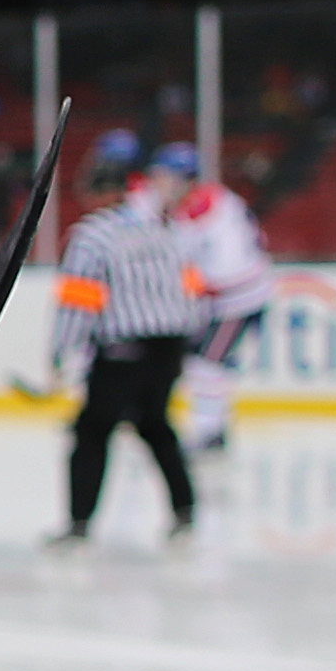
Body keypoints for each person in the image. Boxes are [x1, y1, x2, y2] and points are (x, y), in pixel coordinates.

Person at [47, 135, 198, 548]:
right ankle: (186, 512)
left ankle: (78, 524)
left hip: (122, 350)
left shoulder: (92, 235)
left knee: (93, 433)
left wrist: (58, 356)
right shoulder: (162, 227)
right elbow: (189, 289)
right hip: (169, 345)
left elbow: (78, 305)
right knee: (155, 425)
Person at [158, 137, 271, 457]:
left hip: (240, 300)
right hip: (222, 301)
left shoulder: (218, 208)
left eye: (167, 177)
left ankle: (210, 433)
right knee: (201, 363)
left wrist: (196, 286)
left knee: (206, 364)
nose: (161, 184)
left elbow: (230, 269)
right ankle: (213, 429)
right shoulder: (186, 211)